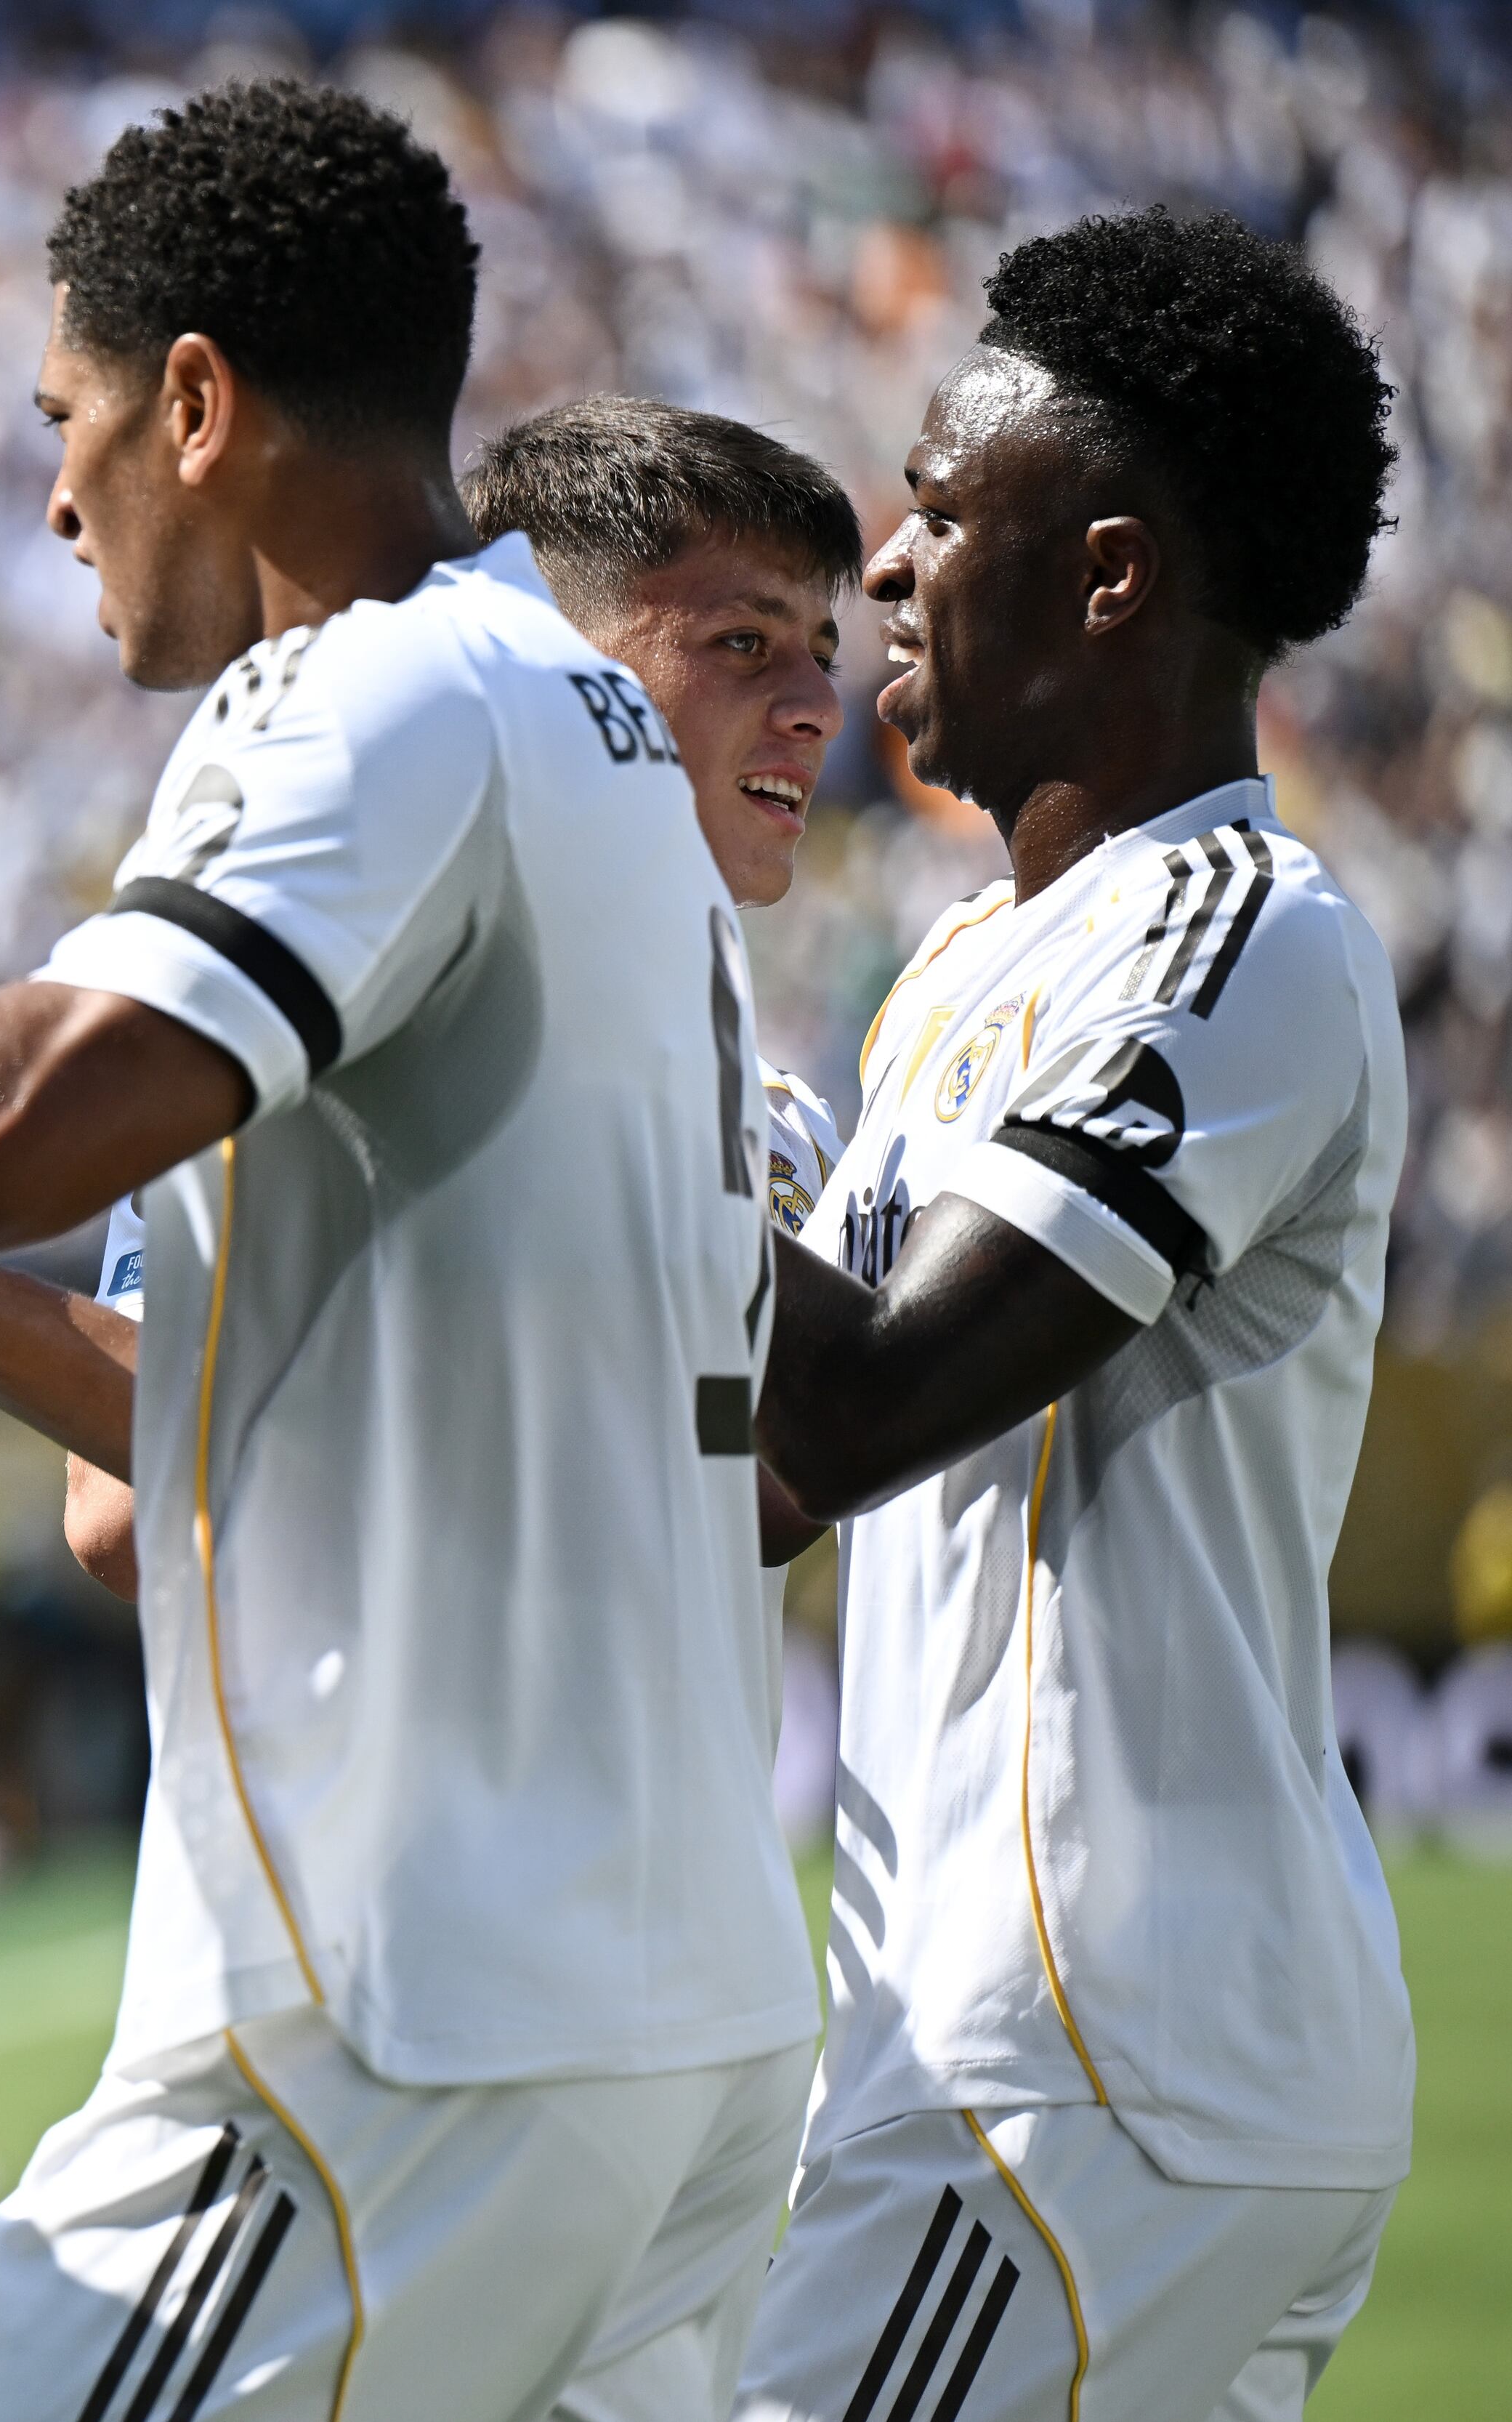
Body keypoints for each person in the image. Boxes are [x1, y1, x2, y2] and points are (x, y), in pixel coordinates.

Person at [0, 81, 815, 2419]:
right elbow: (213, 1456)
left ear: (193, 401)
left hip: (398, 2019)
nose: (52, 493)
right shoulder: (590, 734)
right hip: (663, 2001)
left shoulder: (376, 691)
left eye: (66, 417)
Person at [737, 209, 1413, 2422]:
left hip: (1080, 2059)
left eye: (935, 507)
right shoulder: (958, 968)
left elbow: (860, 1406)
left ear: (1108, 572)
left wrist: (577, 1041)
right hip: (1043, 2061)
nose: (885, 565)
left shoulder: (1237, 934)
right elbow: (750, 1458)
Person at [0, 397, 868, 1610]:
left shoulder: (782, 1123)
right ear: (560, 665)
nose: (819, 704)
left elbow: (775, 1496)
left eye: (826, 650)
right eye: (746, 645)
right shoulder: (313, 1043)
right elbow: (124, 1520)